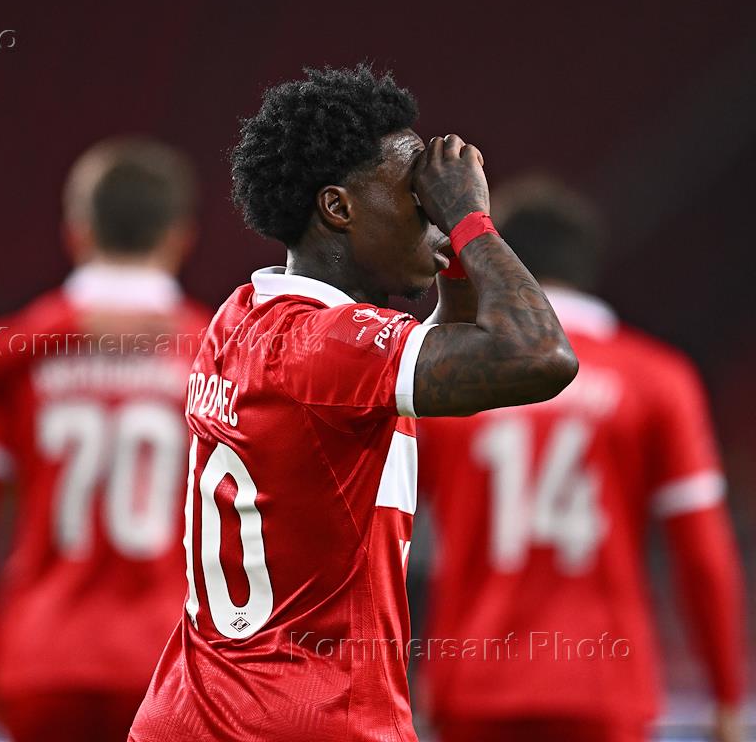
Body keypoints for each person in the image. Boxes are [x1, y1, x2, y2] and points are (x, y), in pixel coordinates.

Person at [128, 66, 579, 742]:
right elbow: (540, 357)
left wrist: (452, 250)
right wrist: (470, 220)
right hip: (311, 718)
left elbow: (446, 355)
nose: (431, 216)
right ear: (338, 209)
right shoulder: (331, 346)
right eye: (415, 198)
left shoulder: (240, 316)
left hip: (189, 712)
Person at [415, 177, 746, 742]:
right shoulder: (658, 379)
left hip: (472, 684)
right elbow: (702, 550)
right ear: (588, 265)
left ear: (499, 264)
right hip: (604, 684)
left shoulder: (449, 383)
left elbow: (381, 531)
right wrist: (726, 695)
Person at [0, 137, 210, 742]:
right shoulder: (214, 352)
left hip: (40, 660)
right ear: (180, 238)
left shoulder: (22, 354)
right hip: (167, 663)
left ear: (76, 233)